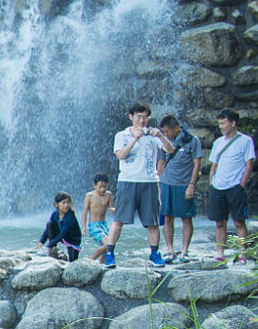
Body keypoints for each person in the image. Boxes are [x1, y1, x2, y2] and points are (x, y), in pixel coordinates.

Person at [101, 102, 172, 268]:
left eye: (145, 117)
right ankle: (110, 253)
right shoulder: (122, 135)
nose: (142, 120)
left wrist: (161, 136)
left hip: (150, 182)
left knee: (153, 222)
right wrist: (135, 139)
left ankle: (154, 253)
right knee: (119, 220)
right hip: (128, 181)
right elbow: (121, 155)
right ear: (131, 117)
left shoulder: (154, 136)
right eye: (139, 117)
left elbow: (170, 150)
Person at [205, 108, 257, 265]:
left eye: (223, 123)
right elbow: (214, 164)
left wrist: (242, 184)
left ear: (233, 123)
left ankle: (242, 254)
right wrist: (211, 182)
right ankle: (220, 253)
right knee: (220, 222)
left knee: (239, 222)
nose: (221, 127)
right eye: (219, 123)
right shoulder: (218, 142)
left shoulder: (245, 141)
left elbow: (249, 164)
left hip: (235, 186)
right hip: (218, 187)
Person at [156, 114, 202, 260]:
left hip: (184, 184)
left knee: (186, 218)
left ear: (176, 128)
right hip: (167, 184)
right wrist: (159, 184)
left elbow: (197, 163)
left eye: (167, 131)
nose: (165, 135)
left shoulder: (192, 140)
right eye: (163, 132)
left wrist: (192, 185)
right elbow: (161, 163)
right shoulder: (163, 142)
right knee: (168, 218)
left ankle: (185, 251)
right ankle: (170, 250)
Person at [38, 193, 82, 261]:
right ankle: (54, 249)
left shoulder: (70, 217)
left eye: (68, 203)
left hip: (73, 240)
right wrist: (41, 242)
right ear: (57, 204)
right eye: (63, 203)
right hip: (62, 236)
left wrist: (48, 246)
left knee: (72, 261)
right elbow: (48, 229)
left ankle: (52, 246)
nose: (66, 205)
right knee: (50, 224)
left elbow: (63, 233)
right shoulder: (55, 214)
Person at [82, 174, 114, 260]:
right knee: (107, 244)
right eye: (100, 187)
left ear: (108, 185)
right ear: (95, 185)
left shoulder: (109, 195)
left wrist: (112, 209)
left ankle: (102, 264)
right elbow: (85, 212)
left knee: (110, 245)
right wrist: (84, 227)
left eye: (105, 186)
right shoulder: (90, 195)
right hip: (94, 225)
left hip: (104, 224)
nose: (102, 189)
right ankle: (91, 260)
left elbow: (111, 206)